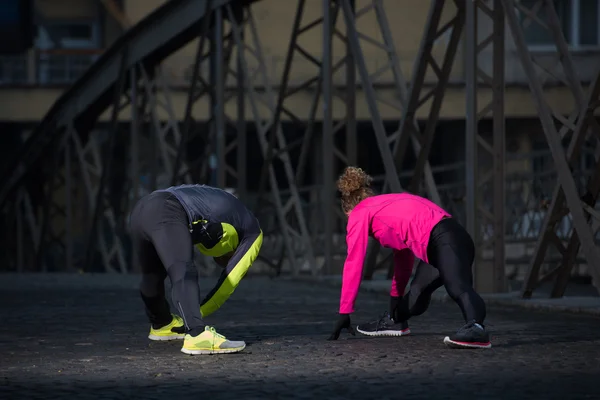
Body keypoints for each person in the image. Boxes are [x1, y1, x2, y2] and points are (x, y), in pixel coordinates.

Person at [327, 167, 491, 349]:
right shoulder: (384, 206)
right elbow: (403, 258)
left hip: (445, 239)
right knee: (416, 293)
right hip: (444, 241)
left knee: (458, 286)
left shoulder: (359, 213)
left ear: (349, 209)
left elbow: (354, 263)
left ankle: (476, 328)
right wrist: (394, 303)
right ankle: (395, 321)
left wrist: (344, 311)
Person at [128, 184, 263, 355]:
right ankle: (198, 336)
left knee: (153, 274)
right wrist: (195, 314)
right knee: (183, 269)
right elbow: (227, 283)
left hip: (142, 209)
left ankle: (162, 323)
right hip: (168, 209)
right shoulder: (253, 233)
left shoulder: (225, 214)